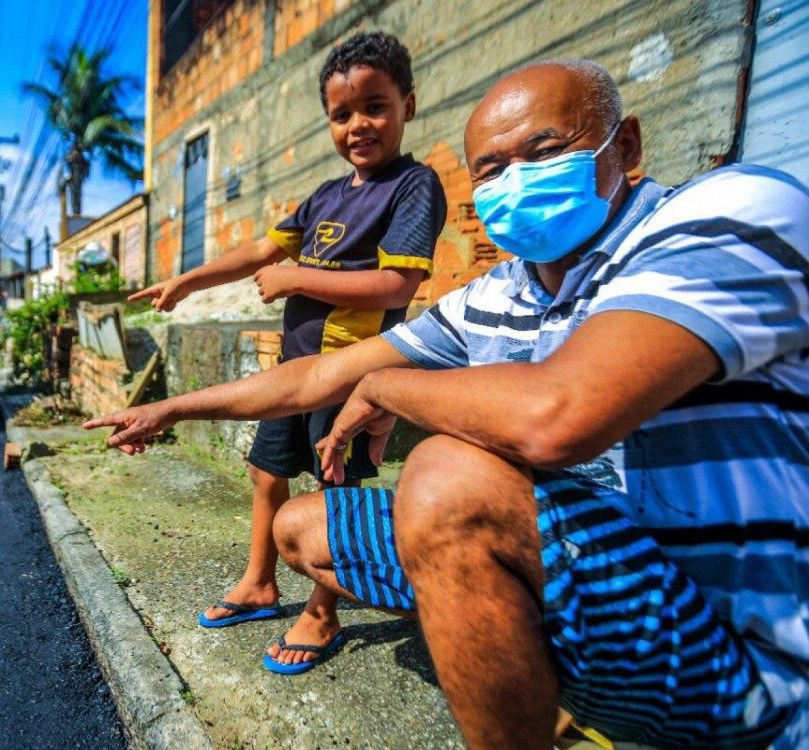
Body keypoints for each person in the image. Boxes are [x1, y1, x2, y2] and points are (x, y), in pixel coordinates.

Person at [86, 58, 809, 748]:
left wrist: (383, 386)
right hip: (581, 577)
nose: (514, 180)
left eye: (544, 149)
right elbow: (311, 380)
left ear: (626, 145)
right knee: (303, 526)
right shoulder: (500, 292)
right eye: (492, 170)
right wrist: (170, 409)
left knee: (445, 481)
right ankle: (561, 683)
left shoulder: (729, 211)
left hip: (747, 663)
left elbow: (559, 416)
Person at [127, 31, 445, 673]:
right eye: (341, 115)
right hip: (293, 373)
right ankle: (258, 581)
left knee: (338, 489)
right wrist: (188, 281)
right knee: (267, 474)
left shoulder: (414, 186)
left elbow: (397, 283)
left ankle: (322, 612)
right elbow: (260, 252)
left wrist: (298, 278)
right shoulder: (327, 195)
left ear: (408, 105)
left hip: (351, 380)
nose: (359, 125)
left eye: (375, 107)